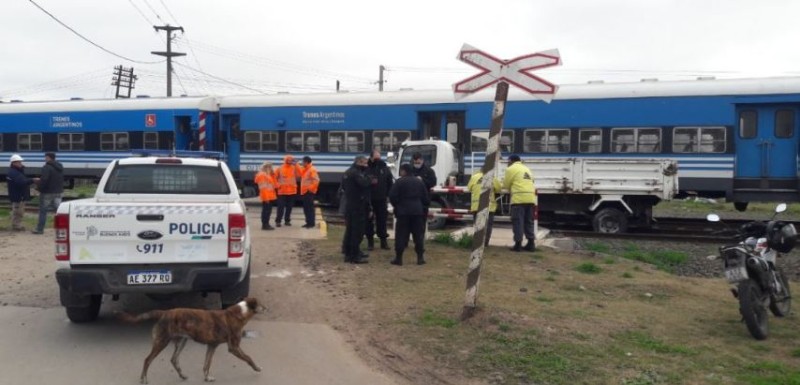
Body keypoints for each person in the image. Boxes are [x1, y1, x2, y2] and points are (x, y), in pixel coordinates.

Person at [389, 163, 430, 266]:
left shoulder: (399, 182)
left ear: (403, 171)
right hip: (417, 211)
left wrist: (397, 205)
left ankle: (399, 258)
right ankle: (420, 258)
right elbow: (426, 198)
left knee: (401, 235)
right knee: (418, 235)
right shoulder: (419, 182)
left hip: (403, 211)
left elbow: (392, 196)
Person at [502, 154, 537, 252]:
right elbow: (532, 181)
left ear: (511, 160)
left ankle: (518, 245)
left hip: (519, 199)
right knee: (528, 222)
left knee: (518, 222)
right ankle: (531, 244)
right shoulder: (527, 169)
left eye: (508, 161)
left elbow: (506, 184)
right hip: (530, 198)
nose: (507, 163)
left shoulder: (510, 169)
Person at [341, 155, 372, 264]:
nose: (366, 165)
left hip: (351, 204)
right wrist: (369, 177)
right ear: (359, 162)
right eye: (365, 163)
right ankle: (354, 256)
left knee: (350, 230)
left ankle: (350, 253)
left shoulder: (348, 172)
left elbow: (343, 187)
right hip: (357, 205)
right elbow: (365, 184)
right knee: (356, 231)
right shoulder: (356, 173)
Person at [365, 149, 393, 250]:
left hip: (381, 199)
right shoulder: (366, 168)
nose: (378, 159)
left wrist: (388, 195)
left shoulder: (384, 168)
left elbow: (390, 182)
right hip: (369, 199)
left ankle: (383, 242)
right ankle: (370, 242)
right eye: (376, 157)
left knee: (382, 221)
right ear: (371, 157)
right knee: (368, 221)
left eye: (379, 157)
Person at [467, 170, 502, 247]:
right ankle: (485, 243)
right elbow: (499, 188)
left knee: (478, 225)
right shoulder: (492, 177)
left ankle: (477, 243)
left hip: (477, 206)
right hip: (488, 206)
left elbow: (469, 188)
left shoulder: (474, 177)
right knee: (488, 226)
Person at [33, 152, 63, 234]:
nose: (45, 158)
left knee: (43, 211)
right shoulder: (60, 167)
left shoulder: (46, 167)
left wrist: (38, 188)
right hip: (58, 192)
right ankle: (61, 228)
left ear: (48, 157)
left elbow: (44, 180)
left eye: (45, 157)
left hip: (47, 193)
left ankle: (39, 229)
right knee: (59, 211)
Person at [6, 154, 36, 231]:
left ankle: (17, 225)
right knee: (18, 212)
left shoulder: (16, 171)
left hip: (19, 195)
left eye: (20, 162)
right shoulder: (14, 173)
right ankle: (16, 226)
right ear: (14, 163)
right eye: (19, 162)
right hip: (18, 195)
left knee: (19, 211)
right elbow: (21, 182)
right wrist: (32, 180)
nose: (21, 164)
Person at [274, 154, 303, 227]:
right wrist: (277, 185)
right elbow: (274, 178)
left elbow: (301, 173)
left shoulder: (294, 168)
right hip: (282, 191)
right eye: (289, 160)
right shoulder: (279, 168)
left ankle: (287, 221)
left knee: (289, 208)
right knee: (280, 207)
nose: (290, 161)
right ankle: (278, 221)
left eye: (292, 160)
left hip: (292, 192)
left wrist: (297, 164)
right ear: (286, 160)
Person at [254, 161, 278, 230]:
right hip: (266, 197)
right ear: (266, 167)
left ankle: (266, 224)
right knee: (266, 211)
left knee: (268, 211)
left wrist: (273, 175)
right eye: (270, 167)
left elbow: (275, 186)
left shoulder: (267, 175)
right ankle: (265, 225)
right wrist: (266, 198)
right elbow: (263, 188)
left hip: (270, 196)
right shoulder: (262, 175)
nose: (271, 169)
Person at [300, 156, 320, 229]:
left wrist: (310, 189)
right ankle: (308, 222)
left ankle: (311, 223)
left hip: (309, 192)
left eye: (302, 161)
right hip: (305, 192)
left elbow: (316, 180)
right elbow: (300, 171)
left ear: (306, 162)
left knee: (309, 208)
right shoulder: (305, 169)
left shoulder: (312, 170)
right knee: (306, 208)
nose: (301, 163)